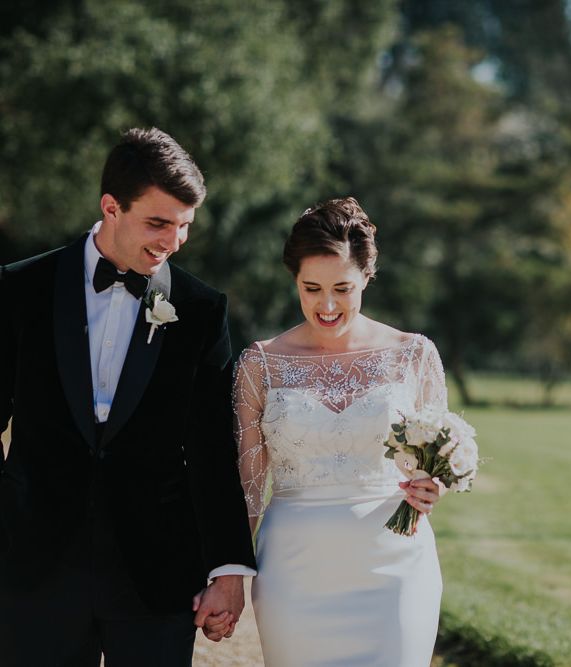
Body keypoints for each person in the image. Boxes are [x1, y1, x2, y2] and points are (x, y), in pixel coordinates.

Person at [0, 127, 256, 666]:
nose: (173, 241)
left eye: (185, 226)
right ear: (111, 206)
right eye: (159, 223)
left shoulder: (202, 309)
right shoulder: (20, 288)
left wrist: (229, 570)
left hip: (158, 576)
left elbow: (213, 449)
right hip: (33, 569)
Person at [230, 196, 446, 666]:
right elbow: (247, 490)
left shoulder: (414, 355)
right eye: (311, 289)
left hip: (395, 568)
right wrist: (228, 576)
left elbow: (434, 462)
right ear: (295, 282)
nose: (326, 305)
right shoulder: (260, 364)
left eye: (342, 289)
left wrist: (435, 486)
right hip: (294, 571)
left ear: (367, 277)